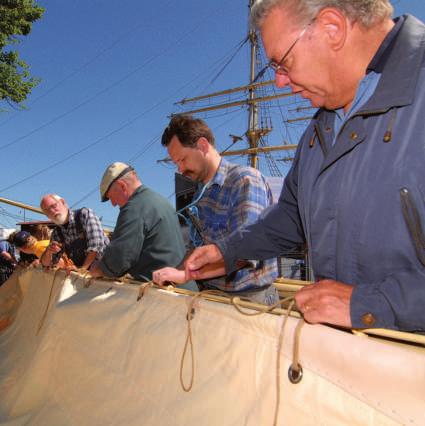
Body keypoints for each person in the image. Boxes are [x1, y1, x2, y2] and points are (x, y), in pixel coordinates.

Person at [185, 0, 425, 331]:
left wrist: (370, 305)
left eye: (283, 63)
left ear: (332, 28)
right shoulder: (318, 131)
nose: (280, 82)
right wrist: (228, 251)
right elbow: (290, 217)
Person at [153, 115, 278, 305]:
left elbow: (246, 250)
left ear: (203, 146)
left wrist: (185, 274)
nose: (180, 169)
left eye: (183, 159)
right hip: (213, 296)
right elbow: (198, 250)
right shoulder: (201, 195)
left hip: (250, 301)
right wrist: (173, 271)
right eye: (176, 163)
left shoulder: (245, 180)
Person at [89, 162, 185, 282]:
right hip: (182, 290)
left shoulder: (134, 207)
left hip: (163, 294)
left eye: (111, 197)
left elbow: (118, 262)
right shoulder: (160, 201)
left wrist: (98, 268)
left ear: (122, 186)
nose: (113, 204)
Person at [39, 194, 109, 270]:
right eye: (47, 211)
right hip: (85, 275)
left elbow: (96, 246)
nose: (52, 211)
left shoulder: (84, 214)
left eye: (54, 206)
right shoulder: (57, 233)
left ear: (63, 202)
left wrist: (82, 269)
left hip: (106, 269)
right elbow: (46, 263)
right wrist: (49, 251)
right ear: (47, 216)